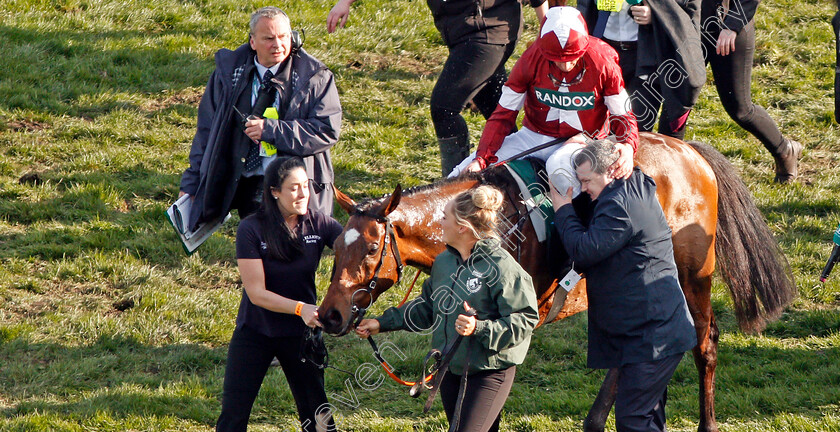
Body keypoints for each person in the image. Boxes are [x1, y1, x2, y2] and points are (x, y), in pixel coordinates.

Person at [355, 186, 539, 432]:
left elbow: (526, 319)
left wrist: (479, 327)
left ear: (462, 227)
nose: (439, 222)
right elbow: (428, 306)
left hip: (489, 372)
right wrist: (381, 323)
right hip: (450, 369)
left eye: (444, 217)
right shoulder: (443, 262)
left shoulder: (502, 267)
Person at [550, 139, 696, 432]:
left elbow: (584, 250)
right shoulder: (633, 181)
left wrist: (563, 209)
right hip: (652, 331)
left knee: (633, 421)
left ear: (610, 172)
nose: (583, 189)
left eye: (587, 181)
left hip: (652, 336)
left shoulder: (619, 206)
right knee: (647, 417)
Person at [326, 0, 548, 176]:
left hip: (490, 31)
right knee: (493, 106)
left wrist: (546, 31)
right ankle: (529, 171)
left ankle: (453, 181)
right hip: (464, 33)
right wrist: (346, 2)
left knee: (444, 108)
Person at [179, 6, 341, 234]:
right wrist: (191, 183)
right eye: (269, 38)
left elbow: (327, 129)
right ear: (252, 42)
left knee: (294, 256)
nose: (278, 44)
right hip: (249, 184)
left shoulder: (314, 77)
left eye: (284, 37)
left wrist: (272, 131)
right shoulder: (228, 75)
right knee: (260, 248)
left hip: (295, 186)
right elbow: (206, 132)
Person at [451, 6, 638, 198]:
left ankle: (571, 226)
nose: (565, 66)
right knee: (462, 171)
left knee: (557, 166)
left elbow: (623, 114)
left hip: (585, 139)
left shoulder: (603, 61)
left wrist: (628, 145)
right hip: (533, 136)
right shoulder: (529, 59)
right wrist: (482, 158)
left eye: (572, 58)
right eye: (557, 59)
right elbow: (502, 116)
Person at [216, 156, 343, 432]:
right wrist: (301, 308)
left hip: (301, 336)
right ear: (274, 192)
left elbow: (354, 251)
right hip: (255, 332)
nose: (302, 194)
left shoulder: (320, 224)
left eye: (306, 186)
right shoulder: (250, 228)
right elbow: (257, 293)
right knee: (233, 416)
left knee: (318, 418)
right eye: (293, 188)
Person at [700, 0, 802, 183]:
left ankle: (785, 150)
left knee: (740, 108)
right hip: (690, 24)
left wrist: (732, 25)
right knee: (678, 97)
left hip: (728, 25)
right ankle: (668, 171)